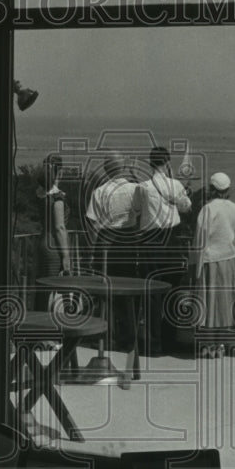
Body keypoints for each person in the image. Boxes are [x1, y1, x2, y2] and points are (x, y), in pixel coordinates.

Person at [132, 145, 192, 355]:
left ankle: (153, 344)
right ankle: (170, 339)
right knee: (173, 290)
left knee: (151, 294)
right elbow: (186, 207)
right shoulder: (175, 185)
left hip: (149, 242)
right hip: (171, 240)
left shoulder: (143, 187)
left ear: (150, 163)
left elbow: (137, 210)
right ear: (167, 164)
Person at [84, 153, 139, 351]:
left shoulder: (100, 191)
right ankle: (126, 338)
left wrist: (91, 252)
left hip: (105, 242)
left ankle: (100, 335)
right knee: (127, 292)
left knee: (102, 293)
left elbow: (92, 223)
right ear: (123, 167)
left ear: (107, 170)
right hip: (128, 242)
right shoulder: (134, 189)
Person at [193, 171, 235, 357]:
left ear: (211, 189)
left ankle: (207, 344)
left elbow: (200, 238)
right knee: (225, 304)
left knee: (208, 303)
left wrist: (194, 265)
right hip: (229, 260)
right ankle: (222, 343)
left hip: (209, 260)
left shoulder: (208, 209)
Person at [33, 154, 71, 312]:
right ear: (59, 172)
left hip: (43, 243)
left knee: (43, 288)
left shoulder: (41, 194)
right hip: (54, 246)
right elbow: (59, 228)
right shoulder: (57, 198)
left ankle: (39, 325)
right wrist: (66, 255)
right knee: (57, 288)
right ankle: (54, 326)